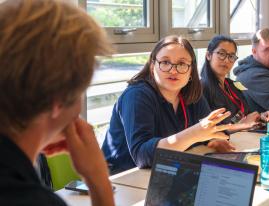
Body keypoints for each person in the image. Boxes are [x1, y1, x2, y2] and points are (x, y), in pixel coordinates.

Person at [0, 0, 114, 205]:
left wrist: (36, 143)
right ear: (59, 100)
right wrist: (98, 180)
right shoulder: (32, 199)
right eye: (81, 90)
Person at [102, 35, 235, 174]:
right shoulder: (137, 95)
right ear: (153, 66)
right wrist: (195, 134)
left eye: (182, 64)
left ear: (191, 70)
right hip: (122, 180)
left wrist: (211, 139)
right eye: (165, 62)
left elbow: (210, 130)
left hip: (167, 172)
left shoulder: (192, 93)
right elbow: (142, 156)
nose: (173, 70)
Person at [201, 35, 269, 131]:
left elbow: (245, 115)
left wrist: (261, 116)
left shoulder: (232, 85)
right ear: (208, 55)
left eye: (231, 56)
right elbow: (207, 129)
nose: (227, 60)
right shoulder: (201, 89)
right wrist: (243, 125)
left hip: (244, 137)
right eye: (221, 54)